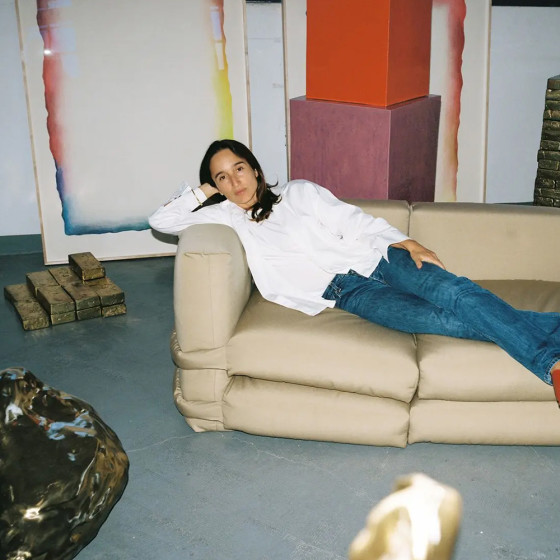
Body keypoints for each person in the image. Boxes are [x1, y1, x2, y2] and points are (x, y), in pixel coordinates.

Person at [149, 138, 560, 404]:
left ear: (255, 168)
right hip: (349, 293)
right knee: (442, 320)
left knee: (454, 294)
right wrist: (205, 190)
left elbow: (352, 220)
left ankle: (552, 366)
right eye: (222, 177)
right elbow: (161, 220)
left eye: (239, 168)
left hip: (379, 258)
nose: (234, 181)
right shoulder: (226, 217)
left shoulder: (298, 193)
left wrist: (405, 241)